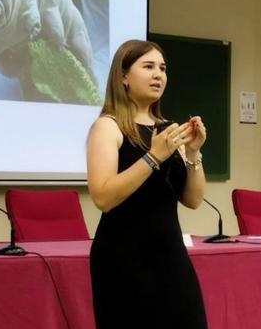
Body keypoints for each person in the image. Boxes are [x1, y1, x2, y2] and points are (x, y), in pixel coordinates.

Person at [86, 39, 208, 329]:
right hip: (123, 261)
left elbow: (193, 200)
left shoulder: (168, 130)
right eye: (149, 66)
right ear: (124, 77)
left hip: (171, 257)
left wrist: (193, 152)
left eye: (163, 68)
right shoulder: (108, 126)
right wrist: (154, 156)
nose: (158, 75)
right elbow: (103, 197)